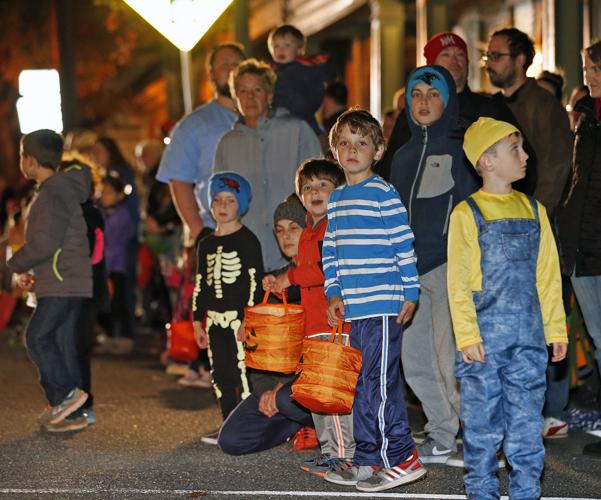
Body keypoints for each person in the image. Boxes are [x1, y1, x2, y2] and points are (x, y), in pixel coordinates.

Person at [449, 117, 568, 499]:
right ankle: (481, 490)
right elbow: (459, 283)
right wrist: (466, 336)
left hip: (529, 342)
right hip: (483, 343)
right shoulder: (467, 214)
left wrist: (556, 330)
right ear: (486, 161)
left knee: (526, 423)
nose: (525, 155)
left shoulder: (535, 211)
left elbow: (548, 278)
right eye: (515, 148)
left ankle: (526, 490)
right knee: (482, 425)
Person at [322, 109, 424, 493]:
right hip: (355, 309)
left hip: (383, 305)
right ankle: (368, 457)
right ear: (334, 151)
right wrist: (333, 290)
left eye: (362, 143)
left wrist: (410, 292)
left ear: (377, 151)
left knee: (380, 385)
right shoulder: (337, 199)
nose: (352, 150)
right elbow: (329, 250)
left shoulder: (383, 193)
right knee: (361, 386)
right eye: (344, 143)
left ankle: (403, 457)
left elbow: (404, 245)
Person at [389, 65, 478, 466]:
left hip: (447, 268)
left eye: (433, 93)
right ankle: (443, 435)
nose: (423, 102)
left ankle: (479, 439)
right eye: (416, 94)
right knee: (415, 359)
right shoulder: (403, 155)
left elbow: (474, 213)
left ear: (448, 99)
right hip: (408, 273)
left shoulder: (462, 150)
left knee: (450, 359)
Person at [265, 158, 354, 476]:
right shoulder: (307, 232)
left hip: (335, 325)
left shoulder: (336, 226)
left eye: (323, 185)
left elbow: (327, 270)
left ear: (338, 191)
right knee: (318, 395)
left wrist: (291, 276)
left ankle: (346, 456)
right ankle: (331, 451)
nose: (314, 191)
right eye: (307, 187)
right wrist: (283, 282)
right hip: (314, 326)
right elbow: (303, 277)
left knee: (333, 395)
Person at [8, 129, 92, 432]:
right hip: (64, 279)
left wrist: (13, 264)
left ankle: (65, 396)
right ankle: (71, 412)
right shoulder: (57, 190)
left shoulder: (52, 193)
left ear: (29, 160)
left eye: (21, 156)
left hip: (63, 282)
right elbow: (53, 243)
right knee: (59, 342)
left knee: (37, 338)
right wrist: (33, 272)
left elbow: (44, 244)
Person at [217, 195, 315, 455]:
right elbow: (256, 352)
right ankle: (299, 424)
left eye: (294, 227)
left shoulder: (323, 281)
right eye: (280, 230)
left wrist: (283, 389)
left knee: (288, 398)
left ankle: (315, 421)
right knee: (232, 439)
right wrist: (264, 393)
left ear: (310, 230)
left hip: (313, 383)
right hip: (281, 390)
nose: (286, 236)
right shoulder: (273, 285)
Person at [379, 31, 534, 192]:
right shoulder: (412, 114)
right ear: (432, 64)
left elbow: (524, 162)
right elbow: (391, 169)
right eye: (445, 54)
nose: (454, 61)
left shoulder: (490, 109)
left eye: (460, 54)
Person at [213, 58, 322, 272]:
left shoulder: (297, 130)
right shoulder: (227, 145)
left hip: (296, 259)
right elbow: (220, 203)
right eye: (243, 91)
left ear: (269, 95)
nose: (250, 97)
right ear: (235, 99)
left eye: (257, 90)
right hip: (245, 260)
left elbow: (321, 189)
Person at [192, 172, 264, 444]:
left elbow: (256, 283)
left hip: (239, 319)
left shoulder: (248, 241)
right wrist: (197, 319)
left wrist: (250, 319)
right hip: (214, 320)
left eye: (230, 201)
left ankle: (248, 426)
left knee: (243, 373)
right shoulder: (206, 243)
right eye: (217, 200)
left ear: (241, 205)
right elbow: (201, 283)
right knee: (220, 373)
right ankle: (227, 424)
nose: (222, 206)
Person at [556, 39, 601, 458]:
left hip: (592, 241)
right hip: (583, 247)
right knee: (600, 337)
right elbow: (578, 183)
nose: (586, 74)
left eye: (591, 67)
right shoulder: (586, 117)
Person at [156, 43, 246, 242]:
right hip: (218, 233)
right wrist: (200, 235)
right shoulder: (193, 126)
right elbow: (179, 181)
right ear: (211, 74)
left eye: (237, 64)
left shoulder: (264, 118)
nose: (231, 69)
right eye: (224, 64)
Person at [485, 27, 572, 215]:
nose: (489, 64)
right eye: (488, 56)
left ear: (520, 60)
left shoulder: (544, 105)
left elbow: (555, 168)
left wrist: (533, 215)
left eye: (497, 56)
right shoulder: (490, 105)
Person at [268, 24, 335, 136]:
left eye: (287, 45)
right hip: (279, 123)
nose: (280, 50)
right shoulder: (270, 72)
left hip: (303, 121)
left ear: (299, 49)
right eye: (275, 46)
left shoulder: (307, 69)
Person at [97, 173, 137, 355]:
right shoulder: (101, 214)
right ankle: (109, 334)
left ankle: (124, 337)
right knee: (105, 303)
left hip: (117, 266)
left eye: (109, 192)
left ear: (119, 195)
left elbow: (112, 239)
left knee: (119, 302)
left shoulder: (123, 217)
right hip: (103, 265)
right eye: (103, 192)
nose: (105, 196)